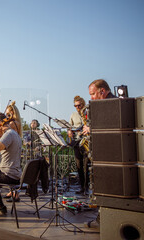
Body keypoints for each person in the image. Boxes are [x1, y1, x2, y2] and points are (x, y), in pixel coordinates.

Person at [83, 79, 117, 228]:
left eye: (93, 94)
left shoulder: (112, 103)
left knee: (108, 188)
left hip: (111, 156)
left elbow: (113, 129)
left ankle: (104, 222)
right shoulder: (108, 103)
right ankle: (103, 219)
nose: (91, 98)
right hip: (107, 155)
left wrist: (91, 130)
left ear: (102, 91)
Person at [67, 95, 88, 194]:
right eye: (75, 106)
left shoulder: (87, 113)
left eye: (79, 105)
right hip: (76, 142)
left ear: (83, 104)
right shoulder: (73, 115)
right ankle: (82, 187)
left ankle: (87, 187)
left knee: (86, 166)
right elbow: (69, 127)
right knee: (79, 166)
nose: (77, 107)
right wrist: (69, 132)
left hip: (85, 141)